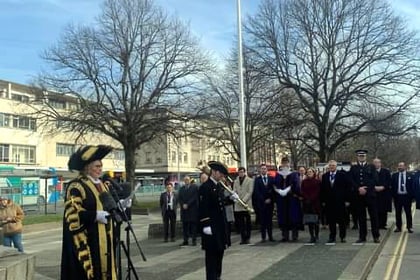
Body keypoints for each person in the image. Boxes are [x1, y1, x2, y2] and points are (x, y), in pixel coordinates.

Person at [61, 145, 117, 280]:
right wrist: (95, 215)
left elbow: (109, 205)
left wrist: (120, 207)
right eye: (97, 166)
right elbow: (72, 214)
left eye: (101, 166)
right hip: (88, 239)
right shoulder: (76, 185)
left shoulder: (102, 185)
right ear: (87, 167)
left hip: (104, 236)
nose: (100, 169)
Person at [199, 161, 232, 280]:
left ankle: (217, 276)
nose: (223, 177)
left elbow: (220, 204)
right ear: (214, 172)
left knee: (219, 254)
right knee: (212, 258)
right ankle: (212, 278)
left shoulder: (218, 186)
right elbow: (203, 207)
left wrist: (230, 199)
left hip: (220, 227)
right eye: (221, 174)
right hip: (211, 227)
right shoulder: (205, 187)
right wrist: (206, 224)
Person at [348, 149, 380, 244]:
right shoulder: (353, 168)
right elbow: (351, 180)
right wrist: (359, 188)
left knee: (373, 216)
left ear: (366, 157)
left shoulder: (371, 167)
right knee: (361, 217)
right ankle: (362, 236)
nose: (361, 157)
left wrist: (366, 189)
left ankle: (376, 236)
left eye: (363, 156)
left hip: (370, 195)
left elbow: (375, 180)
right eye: (360, 156)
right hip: (359, 196)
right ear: (357, 157)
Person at [321, 160, 351, 244]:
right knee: (331, 221)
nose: (331, 167)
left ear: (336, 166)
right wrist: (323, 201)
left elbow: (347, 188)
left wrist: (347, 200)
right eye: (330, 166)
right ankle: (332, 236)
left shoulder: (342, 175)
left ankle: (342, 236)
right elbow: (323, 189)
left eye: (333, 165)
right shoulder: (325, 176)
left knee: (341, 220)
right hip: (329, 202)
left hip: (340, 201)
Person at [273, 157, 302, 242]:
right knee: (283, 217)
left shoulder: (294, 174)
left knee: (293, 217)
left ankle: (294, 236)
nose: (285, 165)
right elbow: (275, 184)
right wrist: (279, 190)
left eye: (286, 163)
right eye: (283, 163)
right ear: (281, 164)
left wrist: (288, 190)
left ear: (289, 164)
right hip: (282, 200)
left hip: (292, 198)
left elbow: (296, 185)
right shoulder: (278, 174)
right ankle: (285, 236)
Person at [252, 164, 275, 242]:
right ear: (260, 170)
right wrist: (263, 200)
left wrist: (270, 198)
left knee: (269, 221)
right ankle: (263, 237)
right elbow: (256, 192)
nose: (263, 170)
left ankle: (271, 236)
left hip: (270, 203)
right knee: (262, 221)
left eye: (265, 169)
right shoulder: (257, 180)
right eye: (262, 169)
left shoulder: (271, 179)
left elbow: (273, 190)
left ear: (267, 170)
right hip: (261, 204)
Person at [391, 162, 414, 233]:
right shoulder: (394, 175)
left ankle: (409, 227)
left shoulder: (410, 175)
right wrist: (392, 196)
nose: (400, 167)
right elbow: (392, 186)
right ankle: (398, 227)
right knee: (398, 213)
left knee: (408, 212)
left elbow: (412, 186)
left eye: (401, 166)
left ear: (405, 167)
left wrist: (412, 197)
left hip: (407, 197)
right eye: (399, 166)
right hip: (397, 197)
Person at [233, 167, 254, 245]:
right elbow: (234, 191)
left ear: (244, 172)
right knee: (240, 222)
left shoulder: (250, 180)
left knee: (247, 222)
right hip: (238, 204)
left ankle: (248, 237)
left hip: (246, 204)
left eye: (242, 172)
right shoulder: (236, 181)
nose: (240, 173)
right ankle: (243, 238)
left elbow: (250, 191)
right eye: (239, 172)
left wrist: (243, 201)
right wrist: (236, 198)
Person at [300, 168, 321, 244]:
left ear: (313, 173)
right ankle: (312, 236)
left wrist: (311, 198)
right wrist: (307, 198)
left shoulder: (317, 182)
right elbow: (302, 191)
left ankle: (317, 235)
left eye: (310, 172)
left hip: (315, 204)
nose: (309, 173)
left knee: (316, 221)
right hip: (307, 203)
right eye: (308, 172)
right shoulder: (304, 182)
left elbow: (318, 191)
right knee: (309, 221)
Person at [178, 176, 199, 246]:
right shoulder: (181, 189)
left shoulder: (195, 188)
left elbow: (195, 197)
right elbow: (179, 198)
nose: (186, 181)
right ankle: (185, 240)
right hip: (184, 211)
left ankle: (194, 240)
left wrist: (188, 204)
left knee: (193, 226)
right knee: (185, 227)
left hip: (192, 210)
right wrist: (183, 204)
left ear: (190, 180)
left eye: (187, 179)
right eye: (185, 180)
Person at [373, 158, 392, 229]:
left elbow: (389, 181)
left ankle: (383, 224)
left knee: (384, 210)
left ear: (380, 164)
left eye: (377, 163)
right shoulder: (370, 171)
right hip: (374, 193)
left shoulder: (386, 171)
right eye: (374, 163)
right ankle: (376, 225)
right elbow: (368, 181)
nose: (376, 164)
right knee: (376, 210)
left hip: (384, 193)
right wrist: (374, 187)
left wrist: (383, 187)